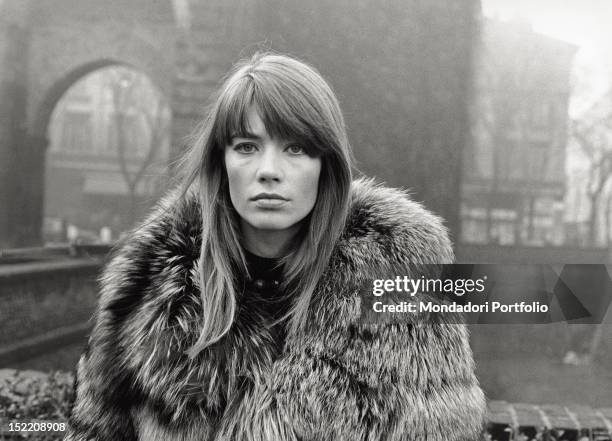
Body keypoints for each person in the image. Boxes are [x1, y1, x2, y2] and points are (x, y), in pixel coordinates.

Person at [65, 52, 486, 441]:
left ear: (326, 166)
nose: (268, 171)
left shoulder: (401, 272)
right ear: (221, 161)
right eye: (246, 147)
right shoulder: (148, 284)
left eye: (296, 148)